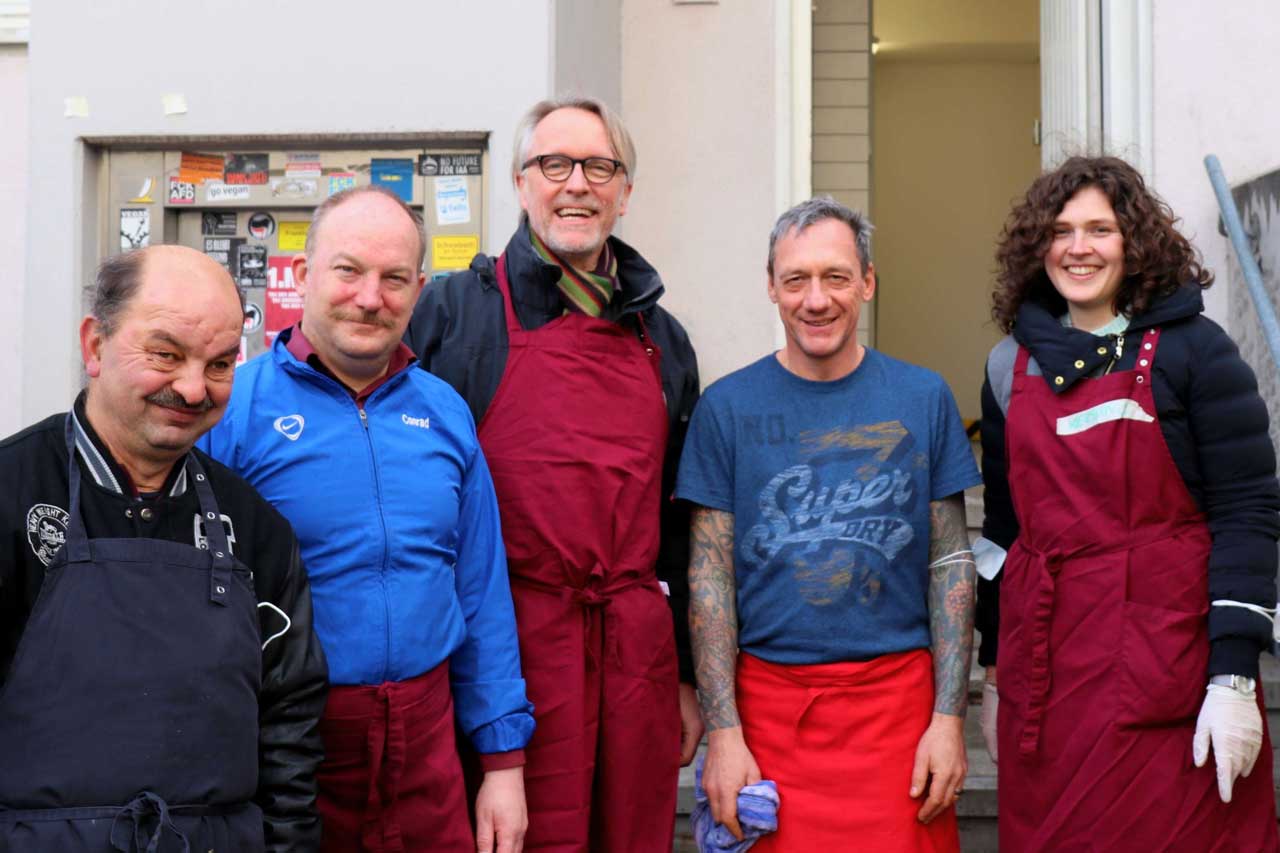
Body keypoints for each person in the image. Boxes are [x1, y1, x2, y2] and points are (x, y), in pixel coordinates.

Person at [404, 96, 702, 851]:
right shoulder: (451, 314)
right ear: (520, 181)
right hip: (507, 647)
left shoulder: (662, 339)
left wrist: (687, 677)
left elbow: (677, 525)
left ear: (624, 189)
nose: (578, 184)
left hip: (635, 653)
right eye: (555, 165)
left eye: (600, 166)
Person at [200, 185, 534, 853]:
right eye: (348, 270)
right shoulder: (233, 415)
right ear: (302, 276)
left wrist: (502, 763)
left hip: (429, 744)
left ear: (419, 289)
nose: (370, 296)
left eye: (394, 278)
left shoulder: (445, 412)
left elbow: (481, 592)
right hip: (292, 750)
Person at [977, 155, 1280, 849]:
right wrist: (995, 669)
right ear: (1037, 246)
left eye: (1099, 229)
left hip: (1170, 676)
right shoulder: (1007, 365)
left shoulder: (1196, 352)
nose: (1078, 247)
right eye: (1060, 230)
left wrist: (1233, 671)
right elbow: (1002, 530)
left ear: (1134, 242)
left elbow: (1248, 510)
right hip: (1048, 680)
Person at [0, 246, 328, 851]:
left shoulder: (255, 528)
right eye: (165, 355)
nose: (193, 387)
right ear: (95, 346)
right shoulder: (11, 494)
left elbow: (289, 727)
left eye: (221, 364)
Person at [677, 197, 980, 851]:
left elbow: (951, 564)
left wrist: (948, 717)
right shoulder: (725, 409)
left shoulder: (923, 397)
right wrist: (723, 730)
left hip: (899, 717)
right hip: (769, 716)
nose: (816, 299)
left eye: (836, 276)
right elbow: (708, 577)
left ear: (867, 282)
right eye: (796, 280)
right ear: (771, 287)